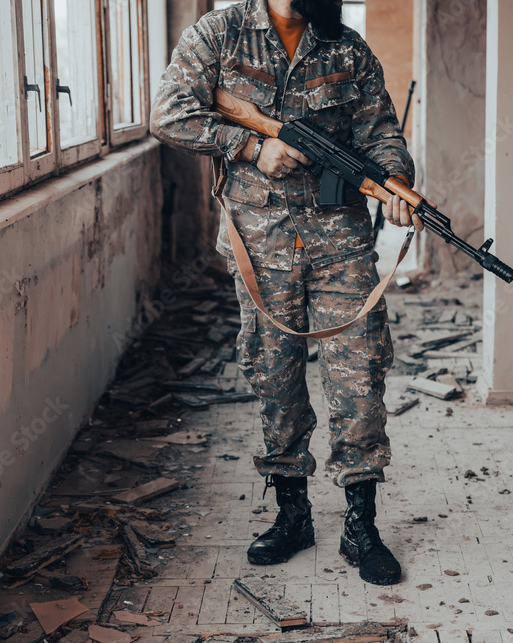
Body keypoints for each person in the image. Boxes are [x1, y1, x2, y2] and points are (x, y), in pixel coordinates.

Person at [150, 0, 420, 586]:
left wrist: (397, 182)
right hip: (260, 242)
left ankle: (361, 526)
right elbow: (169, 113)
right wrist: (249, 146)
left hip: (342, 243)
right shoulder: (219, 35)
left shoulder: (347, 48)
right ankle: (293, 515)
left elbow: (381, 133)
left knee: (358, 374)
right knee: (274, 374)